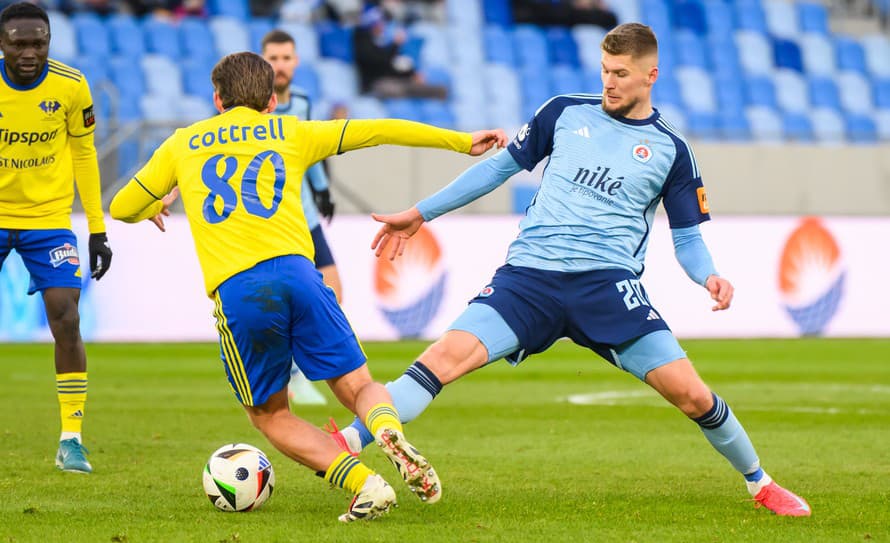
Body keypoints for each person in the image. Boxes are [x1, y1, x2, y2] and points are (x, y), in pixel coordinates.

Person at [332, 22, 812, 517]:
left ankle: (761, 483)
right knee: (439, 361)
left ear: (651, 75)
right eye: (604, 70)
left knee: (693, 396)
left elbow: (687, 237)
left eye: (621, 73)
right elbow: (498, 169)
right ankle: (343, 444)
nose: (608, 82)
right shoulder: (563, 112)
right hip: (529, 278)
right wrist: (420, 212)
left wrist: (707, 274)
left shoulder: (672, 150)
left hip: (607, 286)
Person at [109, 51, 506, 521]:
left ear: (217, 99)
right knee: (359, 384)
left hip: (241, 288)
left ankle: (365, 484)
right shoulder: (292, 132)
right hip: (301, 274)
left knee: (271, 414)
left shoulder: (183, 143)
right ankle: (384, 427)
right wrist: (461, 141)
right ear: (272, 101)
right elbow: (381, 130)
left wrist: (155, 201)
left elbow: (120, 206)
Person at [0, 2, 113, 474]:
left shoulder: (71, 84)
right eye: (18, 43)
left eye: (38, 43)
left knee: (66, 316)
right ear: (1, 42)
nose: (29, 52)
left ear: (49, 40)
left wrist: (97, 230)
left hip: (48, 218)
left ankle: (71, 439)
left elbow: (85, 155)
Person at [262, 28, 338, 406]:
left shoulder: (304, 103)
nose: (280, 65)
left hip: (305, 213)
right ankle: (290, 374)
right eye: (273, 58)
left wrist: (322, 188)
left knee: (333, 290)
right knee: (290, 298)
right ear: (263, 62)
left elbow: (310, 154)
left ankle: (301, 371)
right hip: (277, 220)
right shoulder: (252, 107)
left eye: (286, 58)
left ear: (296, 61)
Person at [352, 6, 447, 99]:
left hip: (386, 79)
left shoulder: (376, 41)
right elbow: (380, 61)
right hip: (374, 85)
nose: (382, 27)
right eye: (380, 24)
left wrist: (411, 74)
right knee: (398, 88)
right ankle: (436, 92)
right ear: (372, 25)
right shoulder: (362, 41)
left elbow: (389, 63)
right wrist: (395, 45)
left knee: (409, 77)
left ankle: (438, 91)